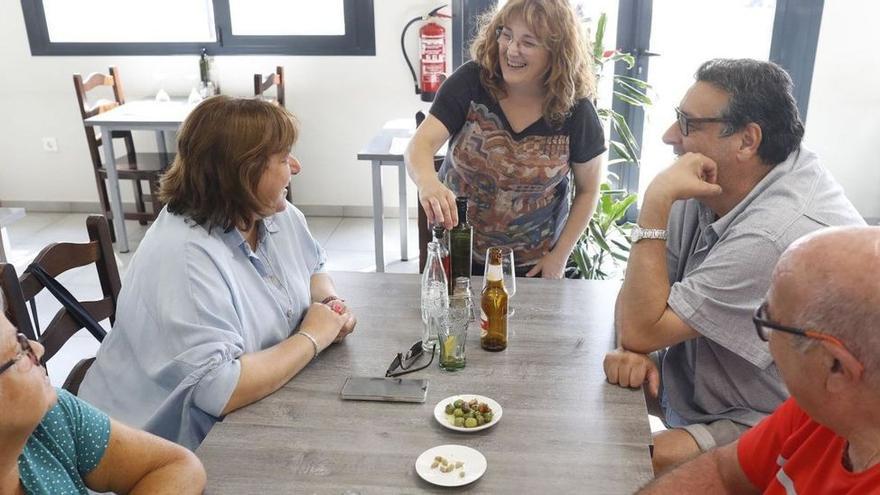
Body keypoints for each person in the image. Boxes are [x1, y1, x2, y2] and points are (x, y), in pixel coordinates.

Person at [603, 58, 865, 473]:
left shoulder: (776, 234)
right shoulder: (714, 181)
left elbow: (639, 327)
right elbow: (638, 305)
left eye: (689, 124)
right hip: (698, 389)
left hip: (768, 419)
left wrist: (654, 202)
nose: (671, 136)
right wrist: (636, 349)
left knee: (617, 462)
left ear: (747, 140)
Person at [79, 96, 357, 450]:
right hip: (153, 444)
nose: (297, 166)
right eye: (284, 158)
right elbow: (220, 390)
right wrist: (312, 337)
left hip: (244, 417)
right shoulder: (184, 256)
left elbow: (313, 267)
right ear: (245, 172)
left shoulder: (273, 213)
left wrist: (328, 303)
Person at [638, 226, 880, 493]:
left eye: (768, 320)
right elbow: (722, 472)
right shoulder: (820, 410)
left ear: (835, 366)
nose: (765, 336)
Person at [405, 0, 606, 278]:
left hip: (530, 267)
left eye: (528, 42)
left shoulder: (577, 111)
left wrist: (559, 257)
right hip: (458, 251)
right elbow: (420, 145)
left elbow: (588, 191)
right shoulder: (471, 81)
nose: (511, 50)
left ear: (556, 52)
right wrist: (427, 182)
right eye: (506, 34)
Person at [0, 292, 205, 494]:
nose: (37, 349)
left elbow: (176, 465)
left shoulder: (51, 417)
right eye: (19, 350)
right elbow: (214, 387)